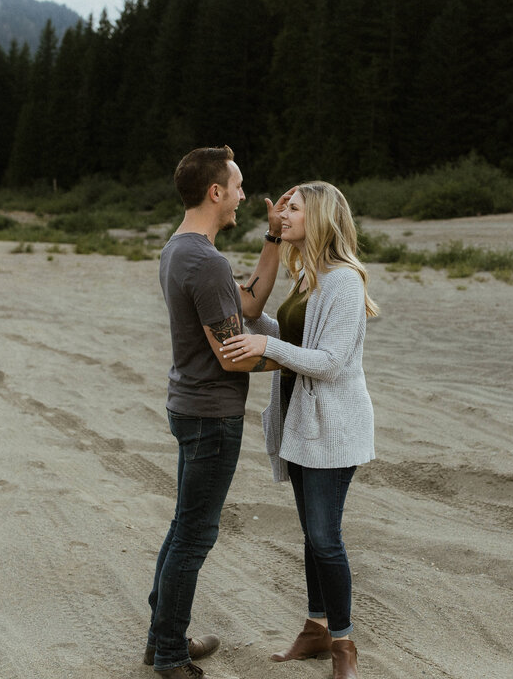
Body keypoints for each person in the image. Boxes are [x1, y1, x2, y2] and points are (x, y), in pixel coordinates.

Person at [145, 145, 295, 679]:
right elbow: (233, 356)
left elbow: (249, 303)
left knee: (184, 525)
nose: (244, 195)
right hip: (210, 414)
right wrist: (302, 362)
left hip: (189, 405)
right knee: (195, 534)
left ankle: (161, 637)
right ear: (215, 192)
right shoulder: (203, 262)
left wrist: (273, 237)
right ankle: (168, 654)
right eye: (237, 186)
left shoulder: (181, 249)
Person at [220, 181, 379, 679]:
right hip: (301, 423)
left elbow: (330, 363)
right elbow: (293, 335)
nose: (282, 214)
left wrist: (265, 350)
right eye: (283, 207)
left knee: (325, 538)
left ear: (322, 218)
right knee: (312, 535)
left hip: (332, 427)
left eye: (292, 209)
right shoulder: (310, 277)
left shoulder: (344, 281)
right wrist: (256, 329)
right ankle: (314, 630)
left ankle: (344, 645)